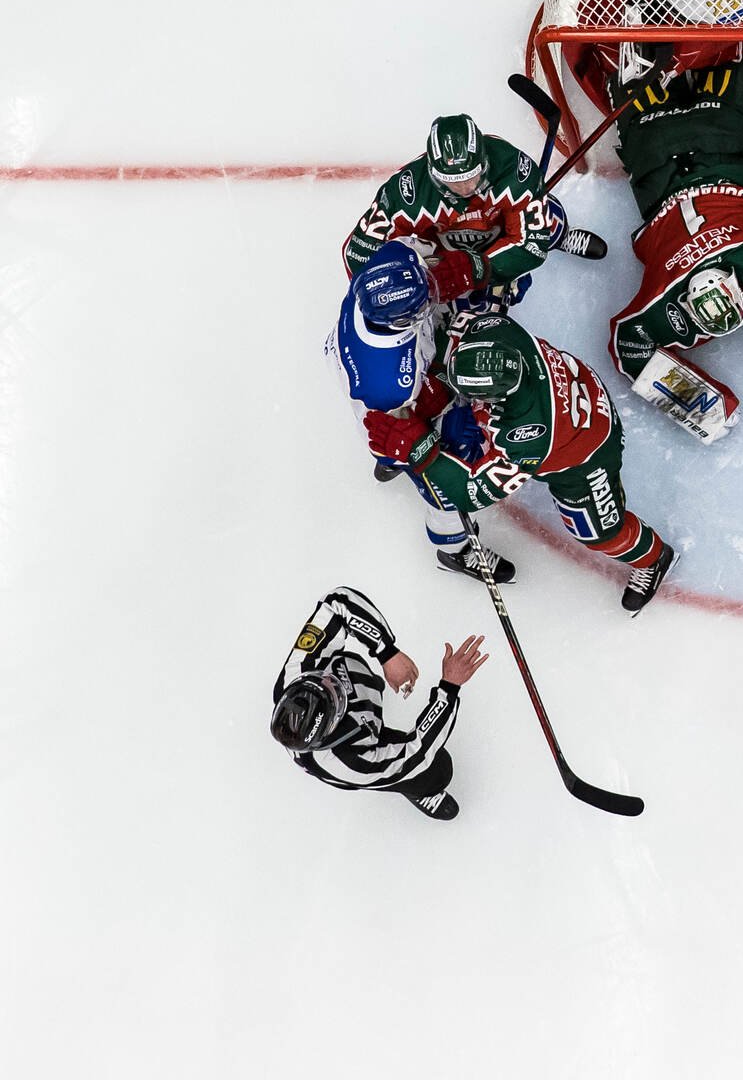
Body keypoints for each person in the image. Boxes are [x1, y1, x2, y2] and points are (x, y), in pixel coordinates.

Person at [590, 42, 743, 442]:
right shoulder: (677, 299)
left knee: (725, 44)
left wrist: (703, 405)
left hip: (695, 149)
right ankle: (644, 25)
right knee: (725, 46)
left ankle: (643, 22)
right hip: (686, 149)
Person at [362, 311, 675, 613]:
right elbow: (453, 338)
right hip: (573, 393)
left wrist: (420, 451)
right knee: (454, 412)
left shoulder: (528, 434)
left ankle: (654, 557)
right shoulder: (494, 328)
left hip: (586, 453)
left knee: (598, 532)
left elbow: (471, 493)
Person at [325, 238, 516, 582]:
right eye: (423, 298)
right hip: (386, 408)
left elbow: (416, 252)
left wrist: (440, 273)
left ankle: (389, 467)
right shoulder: (388, 383)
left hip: (400, 373)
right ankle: (453, 548)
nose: (431, 292)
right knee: (449, 463)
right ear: (401, 320)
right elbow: (395, 435)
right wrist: (429, 442)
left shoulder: (393, 259)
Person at [270, 586, 488, 821]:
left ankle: (372, 696)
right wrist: (449, 688)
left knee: (369, 683)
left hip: (361, 688)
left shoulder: (297, 670)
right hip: (365, 742)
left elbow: (336, 603)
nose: (332, 682)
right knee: (437, 770)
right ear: (332, 728)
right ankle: (410, 787)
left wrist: (386, 653)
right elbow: (416, 754)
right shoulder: (347, 763)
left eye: (324, 680)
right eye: (337, 696)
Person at [342, 113, 603, 305]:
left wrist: (480, 268)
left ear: (484, 161)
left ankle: (561, 236)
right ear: (433, 173)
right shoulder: (406, 192)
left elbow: (530, 245)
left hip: (500, 233)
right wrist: (400, 289)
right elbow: (359, 254)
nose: (465, 187)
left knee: (548, 223)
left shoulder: (514, 169)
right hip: (445, 252)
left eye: (471, 176)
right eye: (452, 181)